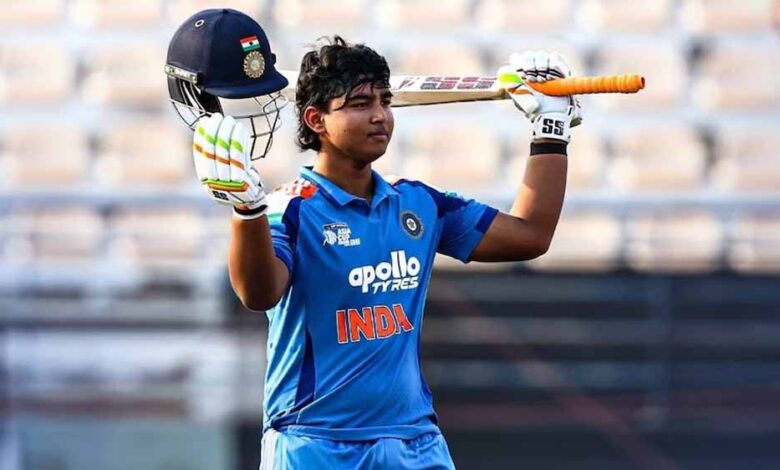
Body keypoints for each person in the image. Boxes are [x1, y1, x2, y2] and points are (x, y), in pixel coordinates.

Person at [166, 9, 581, 470]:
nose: (380, 116)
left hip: (414, 443)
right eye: (361, 103)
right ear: (316, 119)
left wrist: (550, 130)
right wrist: (247, 211)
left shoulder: (418, 203)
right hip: (314, 443)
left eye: (385, 100)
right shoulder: (290, 209)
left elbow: (530, 235)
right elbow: (258, 294)